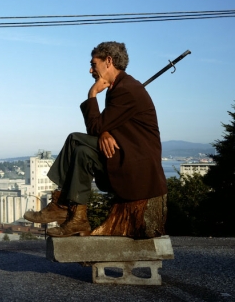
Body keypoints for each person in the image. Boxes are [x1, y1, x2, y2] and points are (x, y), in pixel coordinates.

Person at [24, 41, 167, 237]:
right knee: (83, 152)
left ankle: (61, 204)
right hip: (126, 157)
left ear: (108, 61)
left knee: (75, 140)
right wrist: (105, 132)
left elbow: (95, 127)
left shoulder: (127, 89)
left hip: (137, 168)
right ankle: (78, 220)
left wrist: (92, 95)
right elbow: (104, 126)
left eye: (94, 64)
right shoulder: (118, 88)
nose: (91, 69)